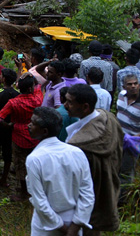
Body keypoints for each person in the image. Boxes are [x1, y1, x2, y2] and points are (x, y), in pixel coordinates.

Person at [26, 107, 95, 236]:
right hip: (74, 220)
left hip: (46, 226)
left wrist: (62, 227)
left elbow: (39, 201)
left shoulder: (34, 159)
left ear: (44, 131)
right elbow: (88, 193)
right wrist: (75, 227)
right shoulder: (77, 152)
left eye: (33, 123)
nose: (29, 125)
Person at [65, 84, 123, 235]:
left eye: (70, 102)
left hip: (89, 194)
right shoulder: (108, 118)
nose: (65, 105)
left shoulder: (80, 145)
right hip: (106, 187)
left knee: (89, 226)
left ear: (85, 107)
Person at [0, 75, 42, 201]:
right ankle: (33, 190)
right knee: (34, 165)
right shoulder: (37, 99)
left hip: (18, 135)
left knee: (20, 166)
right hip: (35, 137)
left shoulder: (14, 102)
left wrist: (10, 125)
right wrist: (31, 74)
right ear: (30, 88)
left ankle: (23, 192)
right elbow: (38, 85)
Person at [116, 74, 140, 204]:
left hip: (132, 143)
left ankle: (123, 204)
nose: (133, 86)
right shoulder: (121, 95)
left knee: (126, 172)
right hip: (118, 139)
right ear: (124, 86)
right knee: (115, 168)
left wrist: (134, 138)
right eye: (130, 84)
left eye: (135, 83)